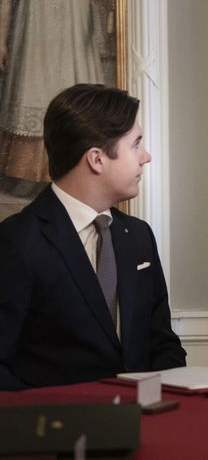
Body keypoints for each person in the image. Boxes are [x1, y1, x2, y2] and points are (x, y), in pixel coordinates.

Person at [0, 84, 186, 390]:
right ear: (97, 159)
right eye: (136, 144)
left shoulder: (139, 236)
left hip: (146, 426)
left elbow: (163, 344)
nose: (146, 156)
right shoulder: (17, 242)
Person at [0, 0, 114, 183]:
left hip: (73, 39)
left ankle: (73, 172)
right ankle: (27, 175)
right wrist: (1, 41)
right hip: (33, 40)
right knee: (32, 90)